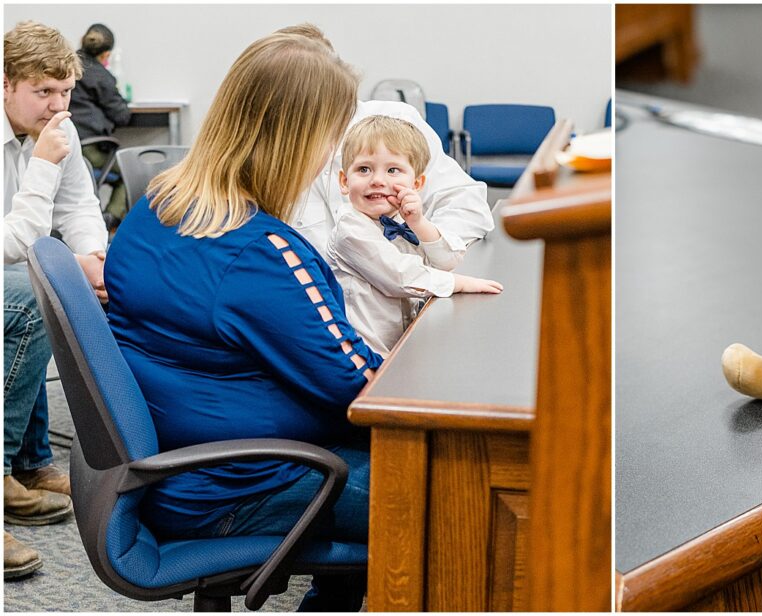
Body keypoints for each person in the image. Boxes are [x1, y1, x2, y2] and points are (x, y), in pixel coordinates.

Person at [104, 31, 377, 611]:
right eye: (332, 135)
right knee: (453, 498)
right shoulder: (260, 253)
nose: (331, 154)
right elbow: (361, 388)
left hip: (174, 474)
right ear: (300, 138)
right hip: (241, 486)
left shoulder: (158, 205)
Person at [3, 20, 108, 579]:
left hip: (12, 272)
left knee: (53, 288)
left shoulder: (56, 131)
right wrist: (43, 161)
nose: (58, 105)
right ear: (5, 84)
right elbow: (13, 243)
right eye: (43, 92)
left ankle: (30, 462)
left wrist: (93, 258)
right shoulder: (47, 143)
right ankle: (4, 471)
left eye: (65, 92)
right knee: (31, 298)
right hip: (6, 267)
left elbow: (79, 208)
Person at [276, 24, 494, 268]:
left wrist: (423, 252)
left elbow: (466, 206)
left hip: (413, 294)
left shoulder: (395, 123)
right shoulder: (268, 149)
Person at [328, 115, 502, 355]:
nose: (378, 180)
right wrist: (461, 284)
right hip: (370, 356)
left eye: (393, 170)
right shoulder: (350, 229)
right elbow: (401, 276)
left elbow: (447, 261)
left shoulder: (400, 218)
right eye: (364, 169)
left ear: (417, 183)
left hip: (404, 346)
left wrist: (420, 224)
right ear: (344, 181)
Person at [69, 23, 131, 225]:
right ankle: (109, 219)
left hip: (63, 144)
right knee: (129, 172)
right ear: (106, 55)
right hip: (89, 148)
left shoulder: (66, 67)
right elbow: (122, 116)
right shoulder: (101, 76)